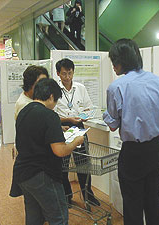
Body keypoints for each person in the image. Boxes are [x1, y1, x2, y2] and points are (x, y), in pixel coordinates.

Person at [103, 39, 159, 225]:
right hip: (156, 150)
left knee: (133, 203)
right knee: (153, 199)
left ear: (120, 61)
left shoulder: (116, 87)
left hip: (133, 153)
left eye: (114, 61)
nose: (113, 66)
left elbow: (112, 125)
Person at [10, 78, 84, 225]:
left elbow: (35, 134)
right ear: (51, 96)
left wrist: (57, 130)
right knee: (58, 217)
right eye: (56, 100)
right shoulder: (50, 115)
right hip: (43, 176)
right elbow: (60, 151)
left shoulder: (24, 111)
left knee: (34, 217)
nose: (55, 104)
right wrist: (76, 142)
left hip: (23, 173)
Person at [54, 58, 100, 206]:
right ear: (58, 74)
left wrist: (86, 115)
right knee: (63, 164)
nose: (67, 77)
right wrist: (67, 119)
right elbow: (51, 114)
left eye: (70, 73)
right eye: (64, 74)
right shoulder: (54, 89)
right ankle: (66, 196)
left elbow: (89, 106)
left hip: (79, 127)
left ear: (73, 72)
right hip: (62, 127)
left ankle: (88, 195)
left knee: (83, 163)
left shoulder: (80, 88)